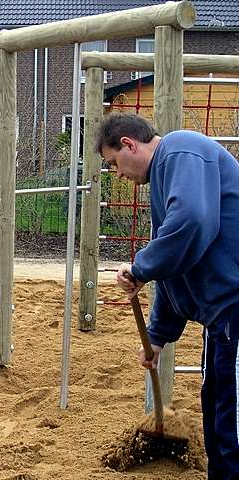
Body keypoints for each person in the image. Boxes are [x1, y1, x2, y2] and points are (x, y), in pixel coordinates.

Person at [95, 112, 239, 478]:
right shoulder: (166, 178)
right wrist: (157, 336)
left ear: (129, 143)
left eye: (114, 163)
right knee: (218, 406)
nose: (119, 175)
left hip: (235, 306)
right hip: (221, 315)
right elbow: (178, 264)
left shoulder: (181, 149)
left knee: (233, 417)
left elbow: (191, 222)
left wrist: (140, 267)